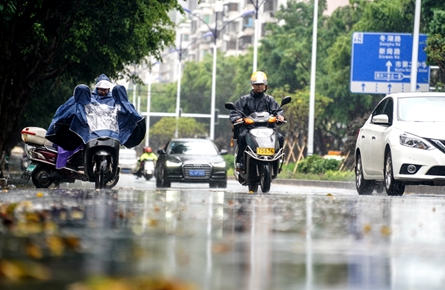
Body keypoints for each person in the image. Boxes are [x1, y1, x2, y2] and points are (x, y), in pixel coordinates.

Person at [229, 71, 285, 172]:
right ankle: (240, 162)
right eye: (257, 84)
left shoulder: (270, 100)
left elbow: (278, 110)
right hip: (249, 129)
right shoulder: (244, 100)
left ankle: (278, 160)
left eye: (261, 84)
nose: (259, 86)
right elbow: (235, 112)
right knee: (241, 137)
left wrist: (280, 116)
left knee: (280, 138)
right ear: (252, 85)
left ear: (265, 85)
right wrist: (237, 118)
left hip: (268, 129)